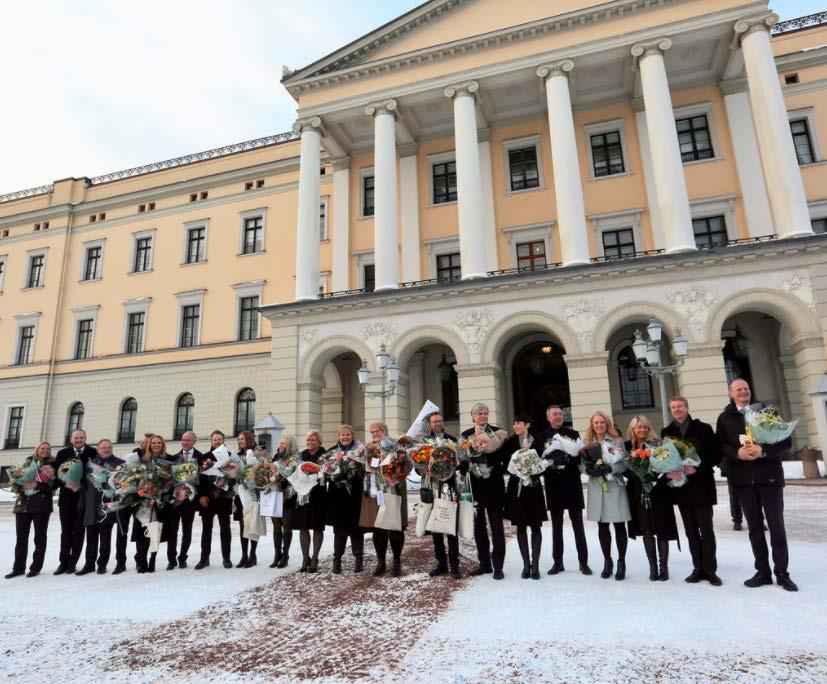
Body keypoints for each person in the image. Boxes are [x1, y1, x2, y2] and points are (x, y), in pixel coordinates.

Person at [716, 378, 798, 592]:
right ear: (730, 394)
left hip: (769, 478)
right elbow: (720, 447)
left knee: (776, 526)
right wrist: (737, 454)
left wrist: (763, 451)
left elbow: (786, 442)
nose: (743, 392)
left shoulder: (767, 412)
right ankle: (762, 572)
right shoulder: (724, 418)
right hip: (743, 481)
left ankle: (782, 573)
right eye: (738, 389)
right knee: (754, 528)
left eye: (746, 388)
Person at [662, 396, 722, 585]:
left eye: (680, 406)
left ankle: (710, 570)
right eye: (673, 408)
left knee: (706, 529)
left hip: (702, 486)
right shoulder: (667, 432)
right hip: (681, 489)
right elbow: (664, 458)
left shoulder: (703, 428)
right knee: (690, 531)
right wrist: (670, 471)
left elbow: (716, 455)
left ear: (687, 408)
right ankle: (697, 568)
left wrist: (698, 468)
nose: (677, 410)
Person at [538, 405, 591, 576]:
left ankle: (583, 562)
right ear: (548, 417)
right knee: (556, 527)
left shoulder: (573, 434)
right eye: (554, 414)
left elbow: (580, 458)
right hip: (553, 485)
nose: (558, 416)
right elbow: (538, 462)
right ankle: (557, 562)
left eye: (560, 414)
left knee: (578, 526)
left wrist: (568, 457)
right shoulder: (541, 436)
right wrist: (550, 461)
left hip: (572, 483)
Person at [624, 417, 678, 581]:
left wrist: (653, 476)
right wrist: (639, 475)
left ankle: (664, 567)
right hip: (639, 492)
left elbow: (666, 465)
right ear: (633, 429)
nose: (642, 430)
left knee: (661, 528)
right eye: (639, 427)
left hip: (658, 491)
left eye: (645, 427)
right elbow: (625, 470)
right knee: (646, 529)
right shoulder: (627, 447)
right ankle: (652, 567)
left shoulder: (657, 445)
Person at [461, 402, 507, 580]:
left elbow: (503, 456)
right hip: (476, 486)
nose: (482, 416)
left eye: (485, 413)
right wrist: (471, 460)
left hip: (494, 484)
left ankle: (498, 566)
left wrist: (488, 458)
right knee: (479, 527)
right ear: (473, 417)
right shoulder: (466, 435)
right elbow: (462, 460)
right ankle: (484, 564)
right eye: (479, 414)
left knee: (497, 527)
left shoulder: (498, 433)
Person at [583, 411, 630, 580]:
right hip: (597, 487)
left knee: (618, 525)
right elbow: (583, 463)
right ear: (592, 424)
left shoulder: (616, 440)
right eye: (596, 422)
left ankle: (621, 562)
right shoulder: (588, 442)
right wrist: (589, 469)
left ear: (607, 424)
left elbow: (624, 464)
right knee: (602, 526)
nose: (599, 425)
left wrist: (610, 468)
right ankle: (607, 561)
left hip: (614, 486)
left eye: (602, 422)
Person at [502, 414, 546, 580]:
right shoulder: (510, 442)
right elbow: (506, 464)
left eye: (519, 423)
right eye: (514, 423)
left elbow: (543, 462)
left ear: (527, 425)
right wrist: (517, 471)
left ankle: (536, 566)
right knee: (521, 526)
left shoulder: (537, 441)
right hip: (517, 488)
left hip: (533, 487)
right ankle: (526, 564)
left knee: (536, 526)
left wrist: (534, 473)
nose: (515, 426)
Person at [5, 442, 56, 579]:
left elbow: (53, 486)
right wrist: (17, 485)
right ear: (37, 450)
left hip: (41, 506)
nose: (45, 450)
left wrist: (36, 484)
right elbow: (15, 481)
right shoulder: (27, 463)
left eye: (48, 449)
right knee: (21, 538)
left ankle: (35, 567)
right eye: (42, 448)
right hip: (23, 505)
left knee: (39, 538)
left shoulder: (53, 464)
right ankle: (18, 568)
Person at [363, 422, 407, 577]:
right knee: (379, 527)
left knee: (395, 527)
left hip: (395, 488)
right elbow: (369, 468)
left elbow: (405, 465)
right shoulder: (370, 448)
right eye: (373, 431)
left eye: (379, 431)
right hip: (376, 491)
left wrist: (394, 474)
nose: (376, 433)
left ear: (385, 431)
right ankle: (381, 562)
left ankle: (396, 561)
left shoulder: (395, 446)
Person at [76, 439, 124, 575]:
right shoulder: (90, 464)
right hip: (91, 503)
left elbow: (121, 485)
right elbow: (85, 485)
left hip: (108, 503)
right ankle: (89, 564)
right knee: (90, 536)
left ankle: (102, 564)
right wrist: (82, 503)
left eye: (109, 447)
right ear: (98, 450)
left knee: (105, 536)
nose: (106, 449)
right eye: (103, 448)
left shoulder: (119, 463)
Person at [424, 411, 462, 579]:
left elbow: (460, 462)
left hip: (450, 487)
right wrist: (422, 468)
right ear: (430, 424)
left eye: (440, 421)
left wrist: (456, 464)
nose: (438, 424)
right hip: (432, 488)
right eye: (434, 422)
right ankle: (442, 564)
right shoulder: (425, 443)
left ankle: (455, 565)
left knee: (451, 527)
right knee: (436, 528)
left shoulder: (452, 440)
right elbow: (419, 466)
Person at [53, 429, 97, 575]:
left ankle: (73, 563)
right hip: (66, 498)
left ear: (85, 438)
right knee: (65, 531)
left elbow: (95, 473)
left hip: (83, 498)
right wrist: (64, 483)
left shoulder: (92, 452)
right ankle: (63, 563)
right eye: (76, 438)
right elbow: (56, 474)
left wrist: (82, 484)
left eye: (81, 437)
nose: (79, 440)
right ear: (71, 440)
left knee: (79, 531)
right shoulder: (63, 453)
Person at [326, 424, 366, 574]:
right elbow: (326, 472)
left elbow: (364, 471)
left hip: (355, 494)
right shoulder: (331, 452)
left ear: (352, 435)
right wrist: (334, 475)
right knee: (340, 530)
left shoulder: (360, 451)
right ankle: (337, 560)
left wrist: (353, 472)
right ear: (338, 436)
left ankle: (358, 560)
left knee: (356, 529)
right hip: (338, 495)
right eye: (342, 435)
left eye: (348, 434)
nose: (345, 437)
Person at [195, 430, 234, 570]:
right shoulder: (205, 457)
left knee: (225, 529)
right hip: (208, 499)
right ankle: (204, 559)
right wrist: (201, 496)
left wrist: (232, 491)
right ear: (211, 441)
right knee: (206, 530)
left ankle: (226, 558)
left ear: (224, 441)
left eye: (220, 439)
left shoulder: (230, 457)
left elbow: (235, 477)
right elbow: (199, 479)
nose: (217, 442)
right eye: (215, 439)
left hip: (224, 499)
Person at [164, 431, 202, 569]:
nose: (184, 442)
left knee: (187, 531)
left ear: (194, 442)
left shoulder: (200, 457)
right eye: (183, 440)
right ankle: (171, 559)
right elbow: (169, 480)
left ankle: (183, 557)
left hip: (190, 502)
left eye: (188, 440)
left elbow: (202, 481)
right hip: (175, 501)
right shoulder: (174, 458)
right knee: (172, 531)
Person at [291, 430, 327, 573]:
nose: (310, 442)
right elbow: (293, 472)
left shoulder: (325, 456)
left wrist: (320, 473)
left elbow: (329, 472)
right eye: (308, 440)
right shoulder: (300, 456)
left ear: (319, 441)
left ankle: (315, 559)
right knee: (303, 526)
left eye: (313, 440)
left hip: (318, 494)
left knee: (317, 526)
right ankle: (305, 558)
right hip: (302, 495)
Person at [270, 435, 297, 569]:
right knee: (276, 527)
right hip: (274, 495)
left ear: (290, 445)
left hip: (288, 496)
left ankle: (285, 555)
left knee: (286, 526)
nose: (281, 445)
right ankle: (277, 555)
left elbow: (295, 477)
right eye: (280, 442)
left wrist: (281, 477)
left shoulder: (294, 459)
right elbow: (270, 472)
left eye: (284, 443)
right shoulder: (275, 457)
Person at [234, 430, 259, 568]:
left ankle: (252, 554)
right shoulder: (237, 455)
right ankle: (244, 555)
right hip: (240, 494)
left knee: (252, 524)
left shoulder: (257, 453)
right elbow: (233, 473)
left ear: (249, 439)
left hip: (253, 493)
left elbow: (261, 470)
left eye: (242, 439)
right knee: (243, 524)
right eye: (239, 439)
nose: (240, 441)